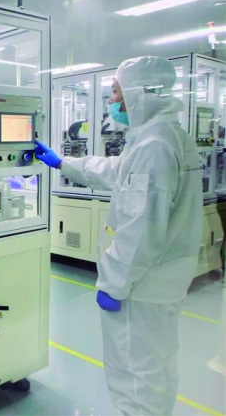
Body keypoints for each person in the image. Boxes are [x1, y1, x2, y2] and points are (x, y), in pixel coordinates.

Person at [35, 56, 202, 415]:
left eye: (115, 92)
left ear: (139, 93)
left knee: (134, 371)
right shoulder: (164, 135)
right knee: (156, 363)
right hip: (163, 279)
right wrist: (64, 162)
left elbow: (140, 227)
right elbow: (117, 171)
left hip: (141, 285)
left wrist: (114, 284)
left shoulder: (154, 144)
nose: (112, 100)